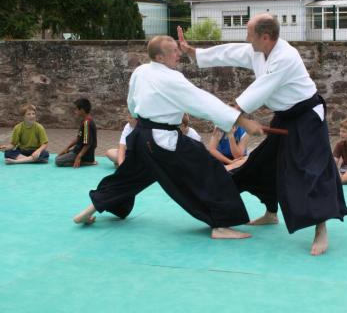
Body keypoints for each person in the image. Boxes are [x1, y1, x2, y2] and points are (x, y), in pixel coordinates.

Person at [178, 14, 347, 256]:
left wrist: (233, 114)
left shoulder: (285, 57)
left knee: (310, 171)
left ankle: (320, 228)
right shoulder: (257, 50)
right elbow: (230, 52)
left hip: (307, 118)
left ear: (265, 37)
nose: (246, 39)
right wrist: (194, 52)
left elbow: (259, 90)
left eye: (249, 34)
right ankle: (271, 213)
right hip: (284, 117)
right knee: (264, 164)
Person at [74, 35, 264, 240]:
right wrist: (242, 122)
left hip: (141, 136)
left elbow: (132, 102)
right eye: (173, 51)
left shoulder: (140, 71)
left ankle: (87, 212)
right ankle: (221, 224)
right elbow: (203, 102)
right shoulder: (171, 78)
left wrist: (138, 117)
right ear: (160, 57)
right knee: (209, 170)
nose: (179, 54)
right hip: (162, 140)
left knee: (128, 177)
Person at [55, 98, 97, 168]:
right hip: (77, 150)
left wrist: (79, 156)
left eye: (76, 109)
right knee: (58, 156)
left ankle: (87, 162)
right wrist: (67, 148)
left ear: (82, 110)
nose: (75, 111)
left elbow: (88, 143)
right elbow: (78, 138)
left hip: (85, 154)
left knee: (58, 161)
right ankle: (78, 157)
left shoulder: (87, 123)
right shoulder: (85, 121)